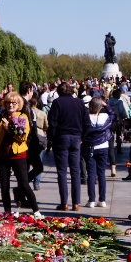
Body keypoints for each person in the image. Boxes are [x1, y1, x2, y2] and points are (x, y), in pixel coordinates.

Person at [0, 92, 41, 218]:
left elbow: (22, 137)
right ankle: (7, 212)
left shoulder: (22, 117)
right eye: (8, 102)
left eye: (13, 103)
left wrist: (8, 128)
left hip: (18, 154)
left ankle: (36, 210)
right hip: (2, 155)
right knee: (4, 186)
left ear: (18, 104)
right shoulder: (1, 116)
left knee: (24, 184)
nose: (10, 105)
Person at [48, 83, 88, 211]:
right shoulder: (79, 103)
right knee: (75, 171)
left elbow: (52, 122)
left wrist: (52, 138)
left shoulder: (57, 103)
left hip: (61, 137)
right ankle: (76, 203)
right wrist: (83, 137)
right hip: (76, 137)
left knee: (62, 171)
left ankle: (64, 203)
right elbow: (87, 122)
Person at [84, 97, 112, 208]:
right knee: (101, 174)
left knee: (91, 174)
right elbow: (112, 115)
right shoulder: (105, 117)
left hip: (90, 147)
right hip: (103, 146)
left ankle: (91, 200)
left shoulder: (86, 118)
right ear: (100, 107)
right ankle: (102, 200)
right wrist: (106, 105)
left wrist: (87, 107)